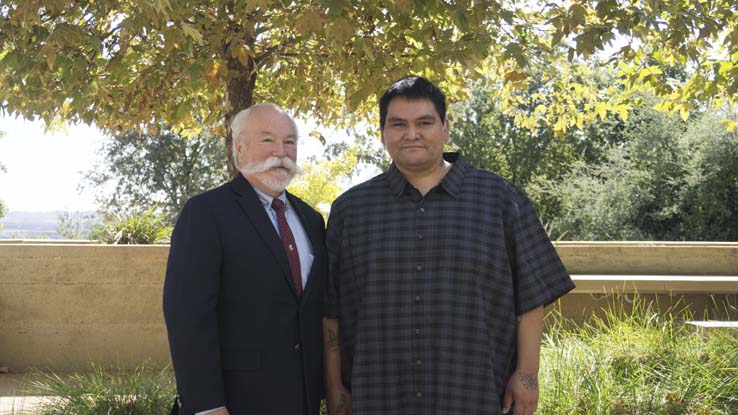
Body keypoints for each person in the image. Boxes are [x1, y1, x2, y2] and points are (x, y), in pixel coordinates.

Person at [323, 76, 575, 415]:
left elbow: (529, 299)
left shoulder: (499, 199)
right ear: (383, 132)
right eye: (398, 124)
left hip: (474, 393)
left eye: (424, 123)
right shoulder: (350, 210)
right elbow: (332, 310)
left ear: (445, 128)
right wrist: (334, 385)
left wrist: (527, 375)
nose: (411, 134)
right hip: (377, 394)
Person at [163, 103, 326, 415]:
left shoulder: (311, 219)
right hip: (232, 404)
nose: (281, 151)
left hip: (301, 402)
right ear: (239, 150)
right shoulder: (206, 213)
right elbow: (188, 316)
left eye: (290, 142)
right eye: (267, 140)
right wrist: (206, 405)